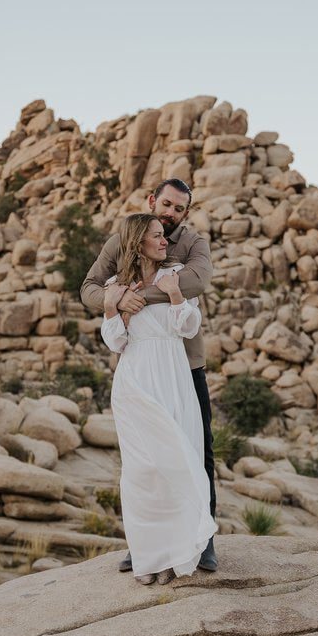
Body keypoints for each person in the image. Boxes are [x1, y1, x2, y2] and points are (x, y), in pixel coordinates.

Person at [81, 178, 218, 573]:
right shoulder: (123, 240)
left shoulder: (193, 245)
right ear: (152, 200)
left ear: (185, 213)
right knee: (145, 459)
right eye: (166, 205)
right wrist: (120, 296)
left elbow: (197, 282)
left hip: (184, 365)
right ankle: (147, 543)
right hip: (141, 365)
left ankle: (202, 539)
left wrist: (144, 293)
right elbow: (89, 287)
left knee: (197, 450)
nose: (170, 214)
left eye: (178, 209)